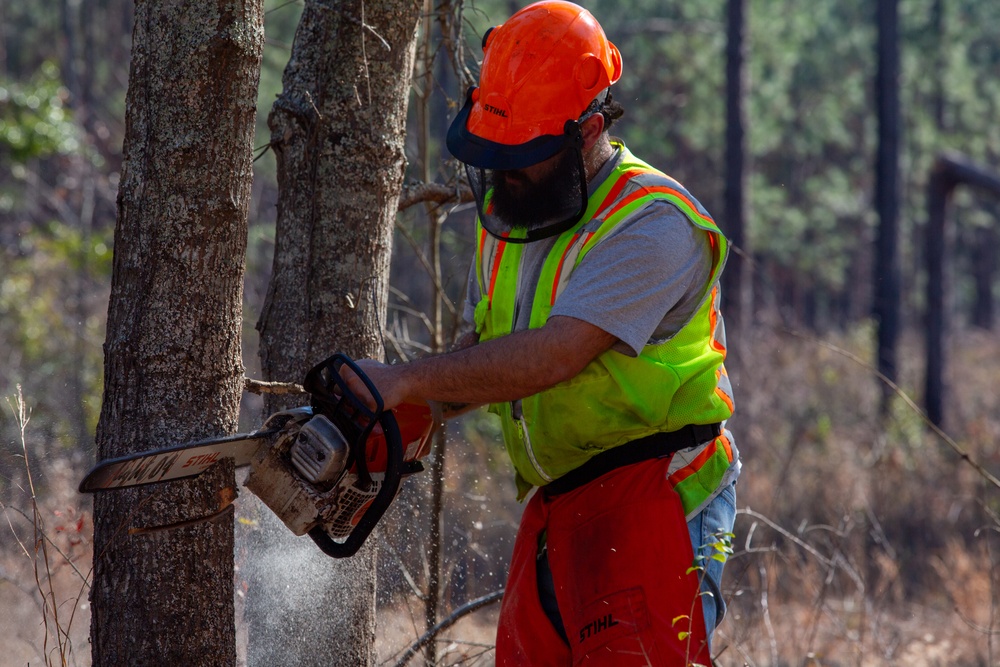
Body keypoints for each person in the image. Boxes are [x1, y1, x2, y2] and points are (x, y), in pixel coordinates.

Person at [344, 2, 740, 664]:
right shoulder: (520, 211)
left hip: (659, 493)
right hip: (559, 503)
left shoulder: (655, 225)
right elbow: (486, 354)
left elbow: (555, 356)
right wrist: (395, 413)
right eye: (494, 151)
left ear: (586, 130)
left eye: (522, 155)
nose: (504, 172)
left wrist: (406, 378)